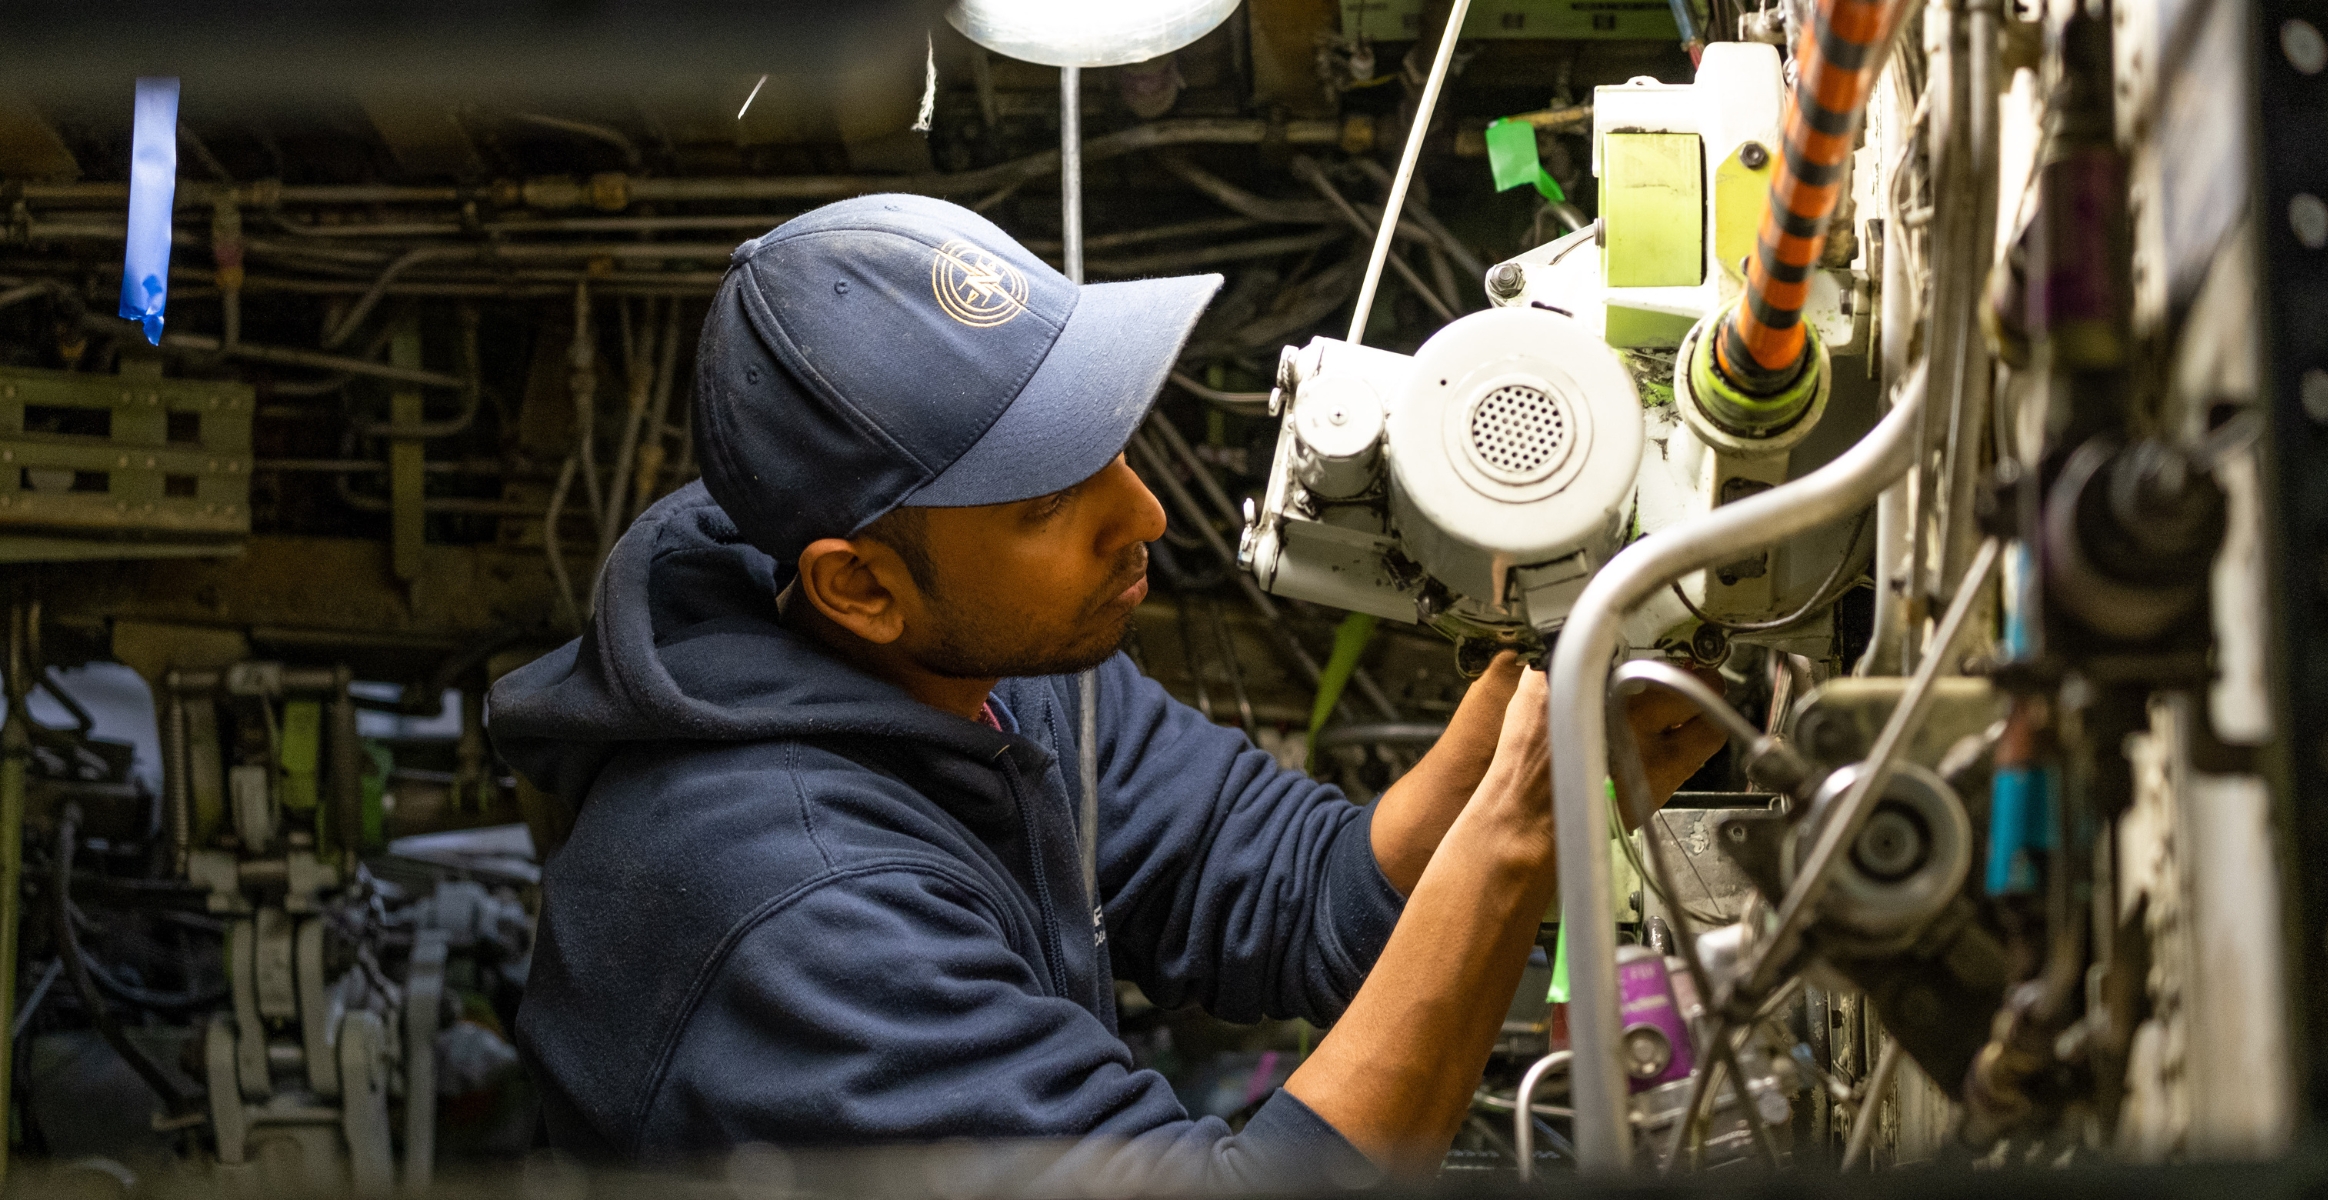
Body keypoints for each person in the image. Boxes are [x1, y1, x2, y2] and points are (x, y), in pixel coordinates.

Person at [489, 194, 1723, 1187]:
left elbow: (1304, 900)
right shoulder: (799, 916)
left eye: (1109, 447)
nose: (1146, 514)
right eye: (1046, 504)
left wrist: (1525, 713)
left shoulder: (974, 669)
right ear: (859, 585)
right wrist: (1512, 842)